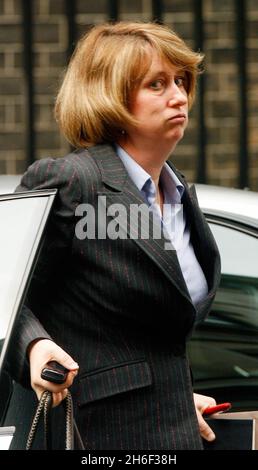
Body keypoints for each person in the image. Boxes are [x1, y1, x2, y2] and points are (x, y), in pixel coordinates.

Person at [6, 21, 221, 450]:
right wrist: (35, 347)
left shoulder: (178, 191)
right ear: (112, 96)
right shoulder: (74, 182)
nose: (179, 96)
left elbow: (156, 341)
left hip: (168, 432)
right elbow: (4, 287)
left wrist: (176, 398)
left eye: (181, 81)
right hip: (91, 434)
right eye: (157, 84)